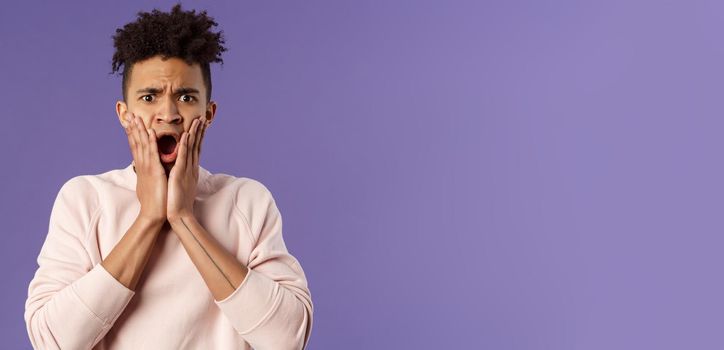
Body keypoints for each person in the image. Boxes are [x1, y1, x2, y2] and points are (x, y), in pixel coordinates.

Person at [23, 4, 313, 349]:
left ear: (208, 113)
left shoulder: (246, 200)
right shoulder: (85, 198)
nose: (169, 114)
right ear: (124, 114)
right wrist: (148, 217)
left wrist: (183, 217)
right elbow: (52, 341)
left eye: (186, 97)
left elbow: (286, 339)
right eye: (149, 97)